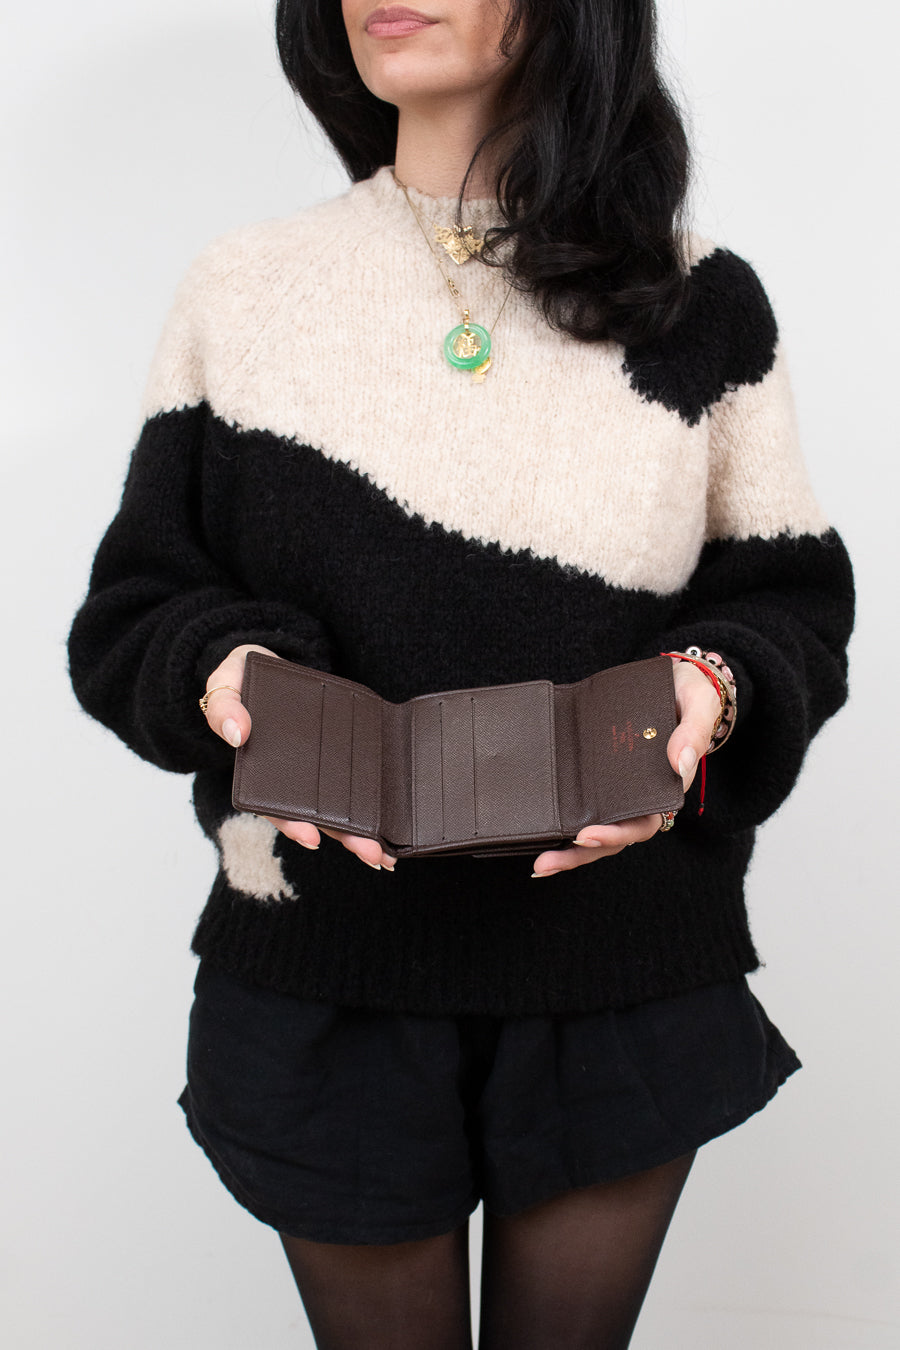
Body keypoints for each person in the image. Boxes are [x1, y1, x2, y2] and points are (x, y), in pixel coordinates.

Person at [66, 1, 855, 1346]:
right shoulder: (245, 287)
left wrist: (707, 692)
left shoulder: (699, 302)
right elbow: (136, 605)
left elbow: (788, 599)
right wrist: (226, 670)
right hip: (329, 963)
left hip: (616, 967)